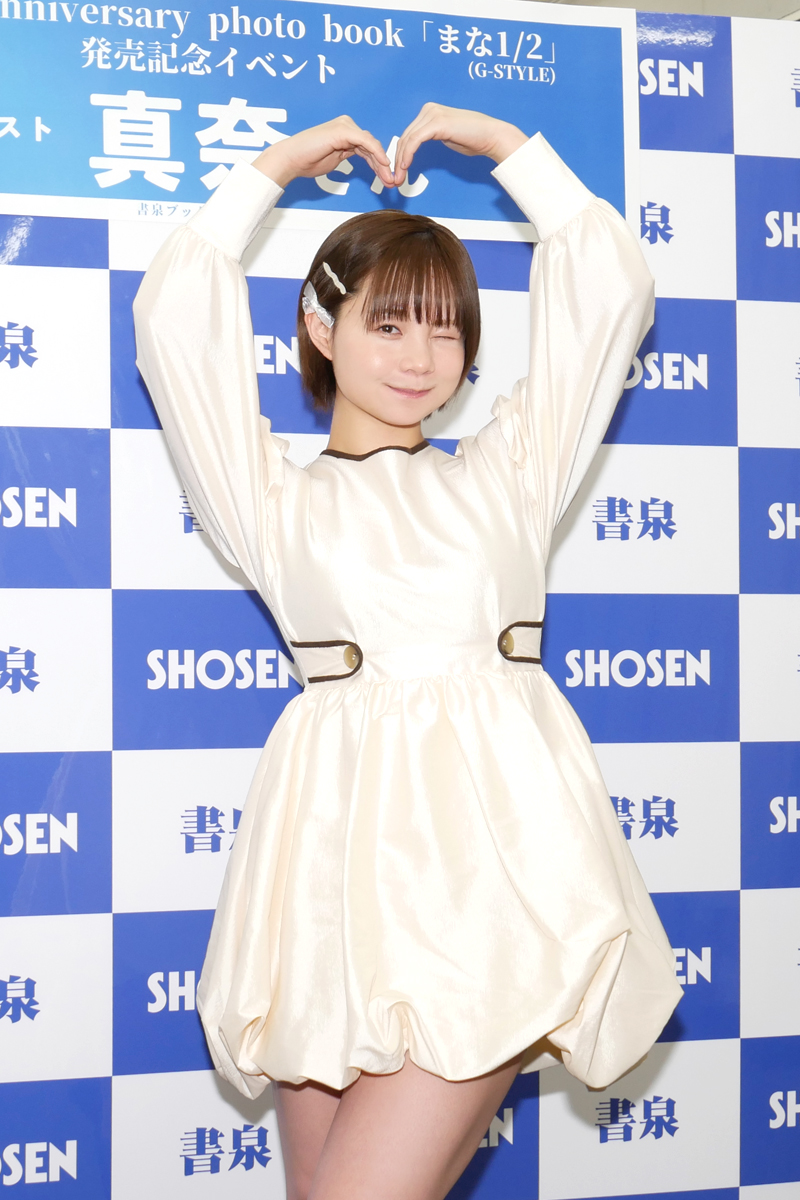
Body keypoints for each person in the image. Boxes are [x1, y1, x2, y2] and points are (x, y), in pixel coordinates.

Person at [133, 103, 682, 1200]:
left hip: (488, 879)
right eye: (388, 324)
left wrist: (509, 149)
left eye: (446, 330)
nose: (422, 358)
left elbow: (609, 289)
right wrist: (273, 169)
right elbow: (173, 321)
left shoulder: (508, 475)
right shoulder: (272, 501)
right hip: (328, 876)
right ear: (319, 327)